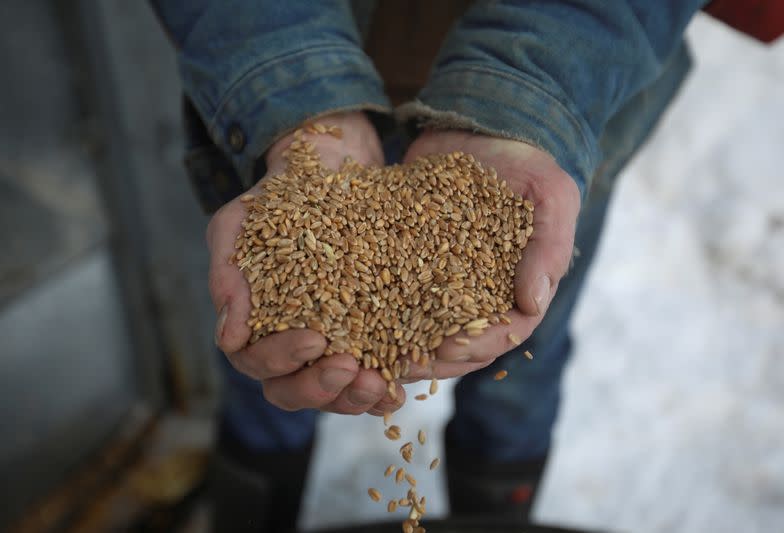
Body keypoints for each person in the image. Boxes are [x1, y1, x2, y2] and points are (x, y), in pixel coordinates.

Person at [151, 1, 780, 531]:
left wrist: (529, 99)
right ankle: (248, 511)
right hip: (282, 96)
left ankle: (497, 517)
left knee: (521, 351)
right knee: (275, 347)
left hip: (564, 104)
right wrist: (290, 83)